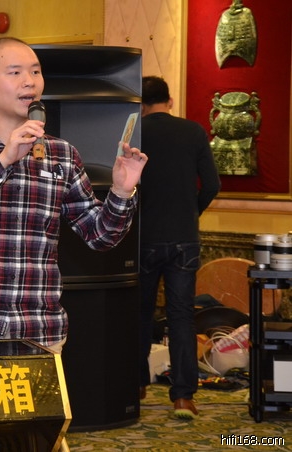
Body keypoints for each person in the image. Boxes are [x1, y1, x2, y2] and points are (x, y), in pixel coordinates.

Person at [0, 37, 147, 354]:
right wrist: (3, 160)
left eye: (35, 71)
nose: (29, 82)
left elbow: (100, 236)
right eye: (15, 72)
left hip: (40, 332)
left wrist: (122, 192)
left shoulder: (62, 154)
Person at [139, 76, 221, 419]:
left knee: (140, 313)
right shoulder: (194, 131)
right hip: (184, 238)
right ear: (170, 101)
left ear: (140, 104)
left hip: (144, 237)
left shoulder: (136, 132)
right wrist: (191, 213)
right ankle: (183, 397)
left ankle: (135, 386)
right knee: (182, 316)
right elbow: (212, 184)